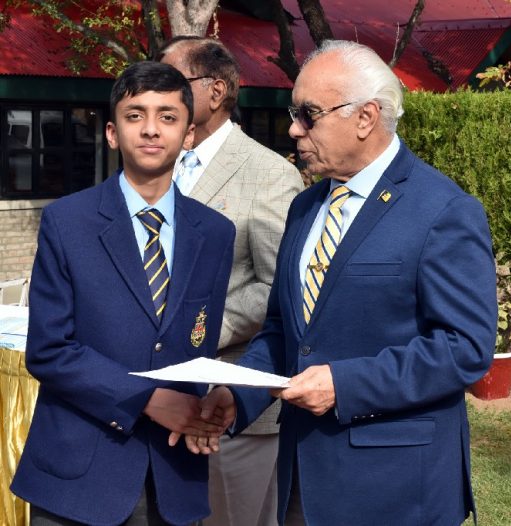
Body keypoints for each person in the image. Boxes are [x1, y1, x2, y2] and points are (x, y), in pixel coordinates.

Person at [192, 40, 498, 525]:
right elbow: (284, 329)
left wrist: (344, 384)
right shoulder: (305, 207)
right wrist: (237, 395)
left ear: (365, 117)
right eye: (294, 114)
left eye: (308, 115)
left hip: (397, 488)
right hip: (303, 479)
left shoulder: (442, 210)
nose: (294, 129)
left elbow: (465, 348)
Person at [10, 61, 235, 526]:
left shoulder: (214, 232)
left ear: (189, 135)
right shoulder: (67, 222)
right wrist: (147, 398)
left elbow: (198, 343)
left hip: (174, 472)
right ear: (112, 134)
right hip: (79, 473)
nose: (151, 129)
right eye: (136, 115)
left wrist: (200, 414)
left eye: (168, 117)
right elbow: (49, 350)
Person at [157, 37, 304, 526]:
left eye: (173, 81)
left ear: (216, 91)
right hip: (154, 400)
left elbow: (276, 287)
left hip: (231, 403)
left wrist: (189, 331)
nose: (159, 92)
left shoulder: (269, 174)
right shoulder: (158, 161)